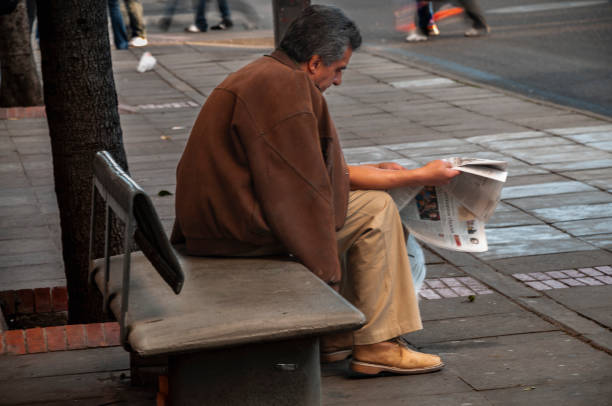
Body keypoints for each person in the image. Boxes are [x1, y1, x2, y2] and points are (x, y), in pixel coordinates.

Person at [172, 5, 460, 377]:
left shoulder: (265, 74)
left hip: (224, 222)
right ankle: (377, 343)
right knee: (375, 209)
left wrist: (384, 171)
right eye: (338, 69)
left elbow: (312, 172)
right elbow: (304, 190)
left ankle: (338, 337)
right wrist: (414, 177)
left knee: (364, 203)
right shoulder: (286, 87)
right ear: (313, 63)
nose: (338, 81)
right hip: (239, 232)